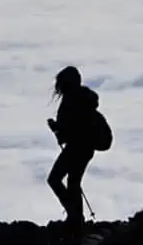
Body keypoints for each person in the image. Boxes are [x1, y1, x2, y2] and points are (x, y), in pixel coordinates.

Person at [46, 65, 108, 237]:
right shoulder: (84, 99)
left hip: (76, 148)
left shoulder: (70, 101)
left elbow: (68, 131)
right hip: (86, 149)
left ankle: (75, 218)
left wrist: (56, 128)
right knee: (73, 183)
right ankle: (76, 220)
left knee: (55, 180)